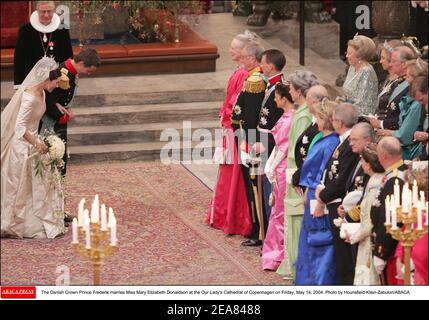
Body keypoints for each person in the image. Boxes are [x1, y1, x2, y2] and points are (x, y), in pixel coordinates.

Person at [1, 57, 64, 239]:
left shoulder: (42, 93)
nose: (57, 85)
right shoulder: (29, 97)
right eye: (56, 82)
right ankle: (16, 223)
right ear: (46, 79)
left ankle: (39, 219)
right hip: (22, 147)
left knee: (38, 184)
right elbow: (19, 128)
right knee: (19, 187)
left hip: (35, 142)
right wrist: (37, 143)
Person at [206, 31, 256, 236]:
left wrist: (226, 116)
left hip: (235, 128)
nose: (230, 50)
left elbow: (236, 102)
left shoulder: (245, 74)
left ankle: (233, 217)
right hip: (229, 126)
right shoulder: (239, 70)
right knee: (227, 169)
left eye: (234, 48)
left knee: (233, 171)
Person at [276, 70, 318, 278]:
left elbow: (301, 150)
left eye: (291, 88)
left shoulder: (302, 117)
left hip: (297, 172)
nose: (289, 91)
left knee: (295, 219)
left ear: (299, 91)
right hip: (294, 170)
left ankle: (295, 265)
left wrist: (296, 176)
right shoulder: (300, 113)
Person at [295, 98, 340, 285]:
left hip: (319, 196)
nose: (315, 120)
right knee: (308, 239)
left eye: (318, 117)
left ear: (326, 119)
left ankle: (319, 282)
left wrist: (314, 196)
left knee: (318, 240)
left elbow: (323, 173)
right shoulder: (322, 139)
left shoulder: (330, 143)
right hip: (312, 192)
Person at [315, 103, 360, 285]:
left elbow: (342, 179)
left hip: (340, 203)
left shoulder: (349, 145)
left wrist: (323, 196)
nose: (331, 122)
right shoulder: (343, 141)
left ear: (339, 122)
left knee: (344, 258)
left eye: (333, 119)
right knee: (340, 255)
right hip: (333, 200)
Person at [40, 48, 101, 176]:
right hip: (52, 121)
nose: (88, 74)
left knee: (60, 155)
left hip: (61, 115)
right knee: (54, 156)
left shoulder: (70, 71)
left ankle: (57, 189)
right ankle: (53, 189)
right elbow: (48, 100)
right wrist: (61, 118)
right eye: (88, 71)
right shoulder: (62, 74)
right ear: (82, 63)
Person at [231, 40, 267, 246]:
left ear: (253, 58)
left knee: (253, 188)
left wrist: (247, 144)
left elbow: (251, 118)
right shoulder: (252, 77)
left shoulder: (255, 81)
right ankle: (255, 227)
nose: (241, 60)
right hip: (245, 139)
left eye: (244, 57)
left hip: (250, 142)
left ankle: (258, 230)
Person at [261, 83, 295, 271]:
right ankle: (272, 251)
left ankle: (279, 253)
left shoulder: (291, 119)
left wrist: (272, 165)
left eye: (276, 96)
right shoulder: (286, 116)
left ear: (284, 98)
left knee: (280, 211)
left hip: (282, 169)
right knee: (276, 210)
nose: (274, 100)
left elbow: (284, 145)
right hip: (278, 167)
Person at [343, 143, 385, 285]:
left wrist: (354, 236)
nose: (360, 163)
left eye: (362, 160)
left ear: (369, 164)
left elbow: (369, 222)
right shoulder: (375, 180)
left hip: (369, 243)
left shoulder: (376, 186)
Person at [255, 49, 286, 223]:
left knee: (268, 190)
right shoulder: (272, 85)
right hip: (263, 141)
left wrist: (266, 145)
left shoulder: (279, 88)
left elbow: (277, 123)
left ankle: (269, 234)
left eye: (263, 63)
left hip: (270, 144)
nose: (260, 66)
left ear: (271, 66)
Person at [371, 136, 407, 285]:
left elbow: (391, 217)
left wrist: (381, 251)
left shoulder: (396, 179)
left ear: (384, 155)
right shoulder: (396, 173)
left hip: (391, 248)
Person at [14, 1, 73, 88]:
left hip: (56, 79)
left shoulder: (62, 29)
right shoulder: (25, 30)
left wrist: (68, 77)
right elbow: (19, 58)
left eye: (49, 11)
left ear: (54, 11)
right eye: (43, 11)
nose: (46, 15)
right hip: (31, 79)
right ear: (37, 11)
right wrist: (18, 83)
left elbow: (68, 55)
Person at [376, 75, 426, 160]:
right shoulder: (415, 101)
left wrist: (388, 130)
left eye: (409, 75)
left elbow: (406, 134)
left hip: (412, 149)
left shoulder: (417, 106)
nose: (405, 79)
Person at [370, 46, 416, 131]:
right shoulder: (399, 81)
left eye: (394, 61)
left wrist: (381, 124)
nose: (390, 64)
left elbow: (406, 117)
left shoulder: (410, 85)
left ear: (404, 64)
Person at [291, 85, 329, 188]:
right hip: (302, 176)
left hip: (308, 179)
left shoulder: (321, 128)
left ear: (314, 102)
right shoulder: (314, 119)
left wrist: (297, 177)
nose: (306, 103)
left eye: (307, 99)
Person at [342, 35, 378, 116]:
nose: (346, 56)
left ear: (360, 56)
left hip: (360, 116)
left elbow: (362, 104)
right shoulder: (352, 67)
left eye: (350, 53)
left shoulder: (366, 72)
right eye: (347, 52)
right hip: (348, 110)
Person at [412, 76, 429, 160]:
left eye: (421, 100)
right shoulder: (423, 106)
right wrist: (416, 134)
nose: (420, 103)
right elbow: (420, 127)